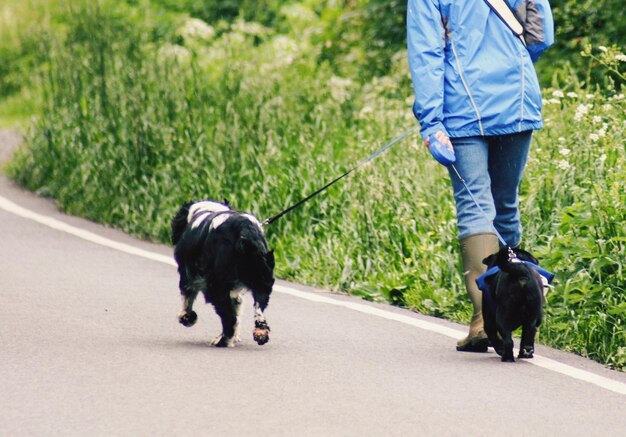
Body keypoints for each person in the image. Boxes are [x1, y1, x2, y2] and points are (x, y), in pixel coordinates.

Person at [407, 0, 554, 352]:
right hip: (516, 98)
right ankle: (518, 310)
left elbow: (426, 52)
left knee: (475, 207)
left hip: (462, 106)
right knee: (505, 205)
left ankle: (484, 321)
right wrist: (508, 63)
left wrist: (431, 120)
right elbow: (541, 34)